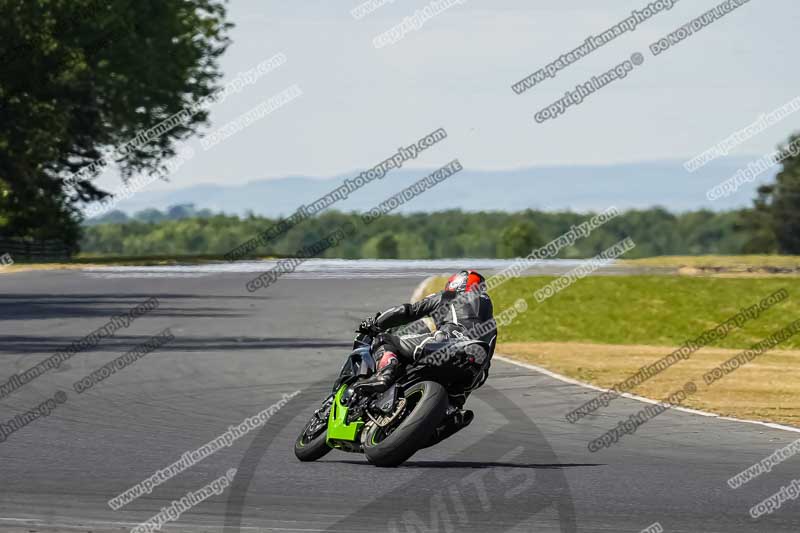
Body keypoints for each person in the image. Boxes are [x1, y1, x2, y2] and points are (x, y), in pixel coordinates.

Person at [354, 270, 496, 400]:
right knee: (457, 396)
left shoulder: (450, 295)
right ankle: (452, 409)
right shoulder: (492, 323)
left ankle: (385, 373)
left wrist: (376, 323)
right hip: (474, 369)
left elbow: (408, 311)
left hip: (449, 341)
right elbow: (487, 359)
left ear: (456, 283)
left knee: (386, 340)